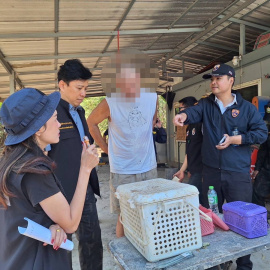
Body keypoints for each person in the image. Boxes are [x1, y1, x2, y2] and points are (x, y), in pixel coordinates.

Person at [173, 63, 268, 270]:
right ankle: (219, 261)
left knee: (242, 221)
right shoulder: (207, 105)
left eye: (218, 78)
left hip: (238, 175)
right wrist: (183, 116)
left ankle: (243, 264)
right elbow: (194, 113)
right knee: (213, 219)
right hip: (211, 176)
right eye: (212, 79)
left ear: (231, 81)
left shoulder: (246, 109)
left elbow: (261, 133)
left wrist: (237, 139)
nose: (214, 82)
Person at [0, 88, 99, 270]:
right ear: (38, 128)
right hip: (37, 261)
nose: (59, 124)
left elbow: (24, 213)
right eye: (54, 118)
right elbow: (70, 223)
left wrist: (52, 225)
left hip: (15, 258)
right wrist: (85, 169)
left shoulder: (10, 161)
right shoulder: (34, 170)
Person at [87, 50, 159, 238]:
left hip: (148, 166)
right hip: (123, 169)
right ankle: (123, 263)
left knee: (150, 210)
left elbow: (153, 120)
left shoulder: (153, 97)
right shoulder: (110, 101)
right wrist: (106, 150)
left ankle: (148, 248)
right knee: (124, 215)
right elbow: (91, 122)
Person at [48, 59, 103, 270]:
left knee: (92, 241)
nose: (83, 94)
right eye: (79, 88)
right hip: (60, 192)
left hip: (85, 187)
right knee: (61, 246)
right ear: (62, 85)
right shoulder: (50, 113)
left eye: (86, 88)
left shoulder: (79, 112)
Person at [173, 96, 203, 204]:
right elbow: (189, 152)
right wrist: (183, 170)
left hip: (202, 172)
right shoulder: (189, 127)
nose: (180, 113)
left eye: (182, 110)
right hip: (194, 171)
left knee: (191, 201)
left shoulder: (201, 124)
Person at [252, 102, 270, 207]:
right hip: (267, 168)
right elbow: (263, 149)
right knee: (257, 192)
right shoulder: (268, 128)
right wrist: (257, 168)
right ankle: (260, 218)